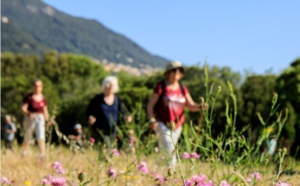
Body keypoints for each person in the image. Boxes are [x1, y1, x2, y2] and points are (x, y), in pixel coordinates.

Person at [147, 61, 208, 168]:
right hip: (162, 122)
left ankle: (159, 169)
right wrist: (152, 119)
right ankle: (172, 169)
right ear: (168, 72)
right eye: (174, 70)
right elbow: (150, 105)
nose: (177, 72)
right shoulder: (161, 87)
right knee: (169, 145)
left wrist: (200, 106)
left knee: (165, 147)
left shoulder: (183, 89)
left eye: (180, 70)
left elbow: (191, 106)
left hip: (177, 124)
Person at [86, 76, 132, 148]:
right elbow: (90, 111)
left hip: (114, 131)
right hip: (101, 131)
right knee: (106, 147)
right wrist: (91, 117)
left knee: (113, 148)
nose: (111, 87)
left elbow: (122, 112)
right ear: (105, 85)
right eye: (109, 84)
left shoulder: (117, 100)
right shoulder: (98, 99)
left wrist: (127, 117)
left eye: (113, 85)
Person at [21, 79, 51, 160]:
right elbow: (23, 108)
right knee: (28, 135)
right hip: (30, 118)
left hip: (40, 118)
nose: (37, 88)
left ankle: (42, 154)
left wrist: (47, 120)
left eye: (39, 86)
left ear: (42, 87)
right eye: (36, 86)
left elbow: (45, 110)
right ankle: (24, 152)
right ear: (33, 87)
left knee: (41, 136)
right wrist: (28, 113)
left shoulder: (43, 98)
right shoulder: (29, 97)